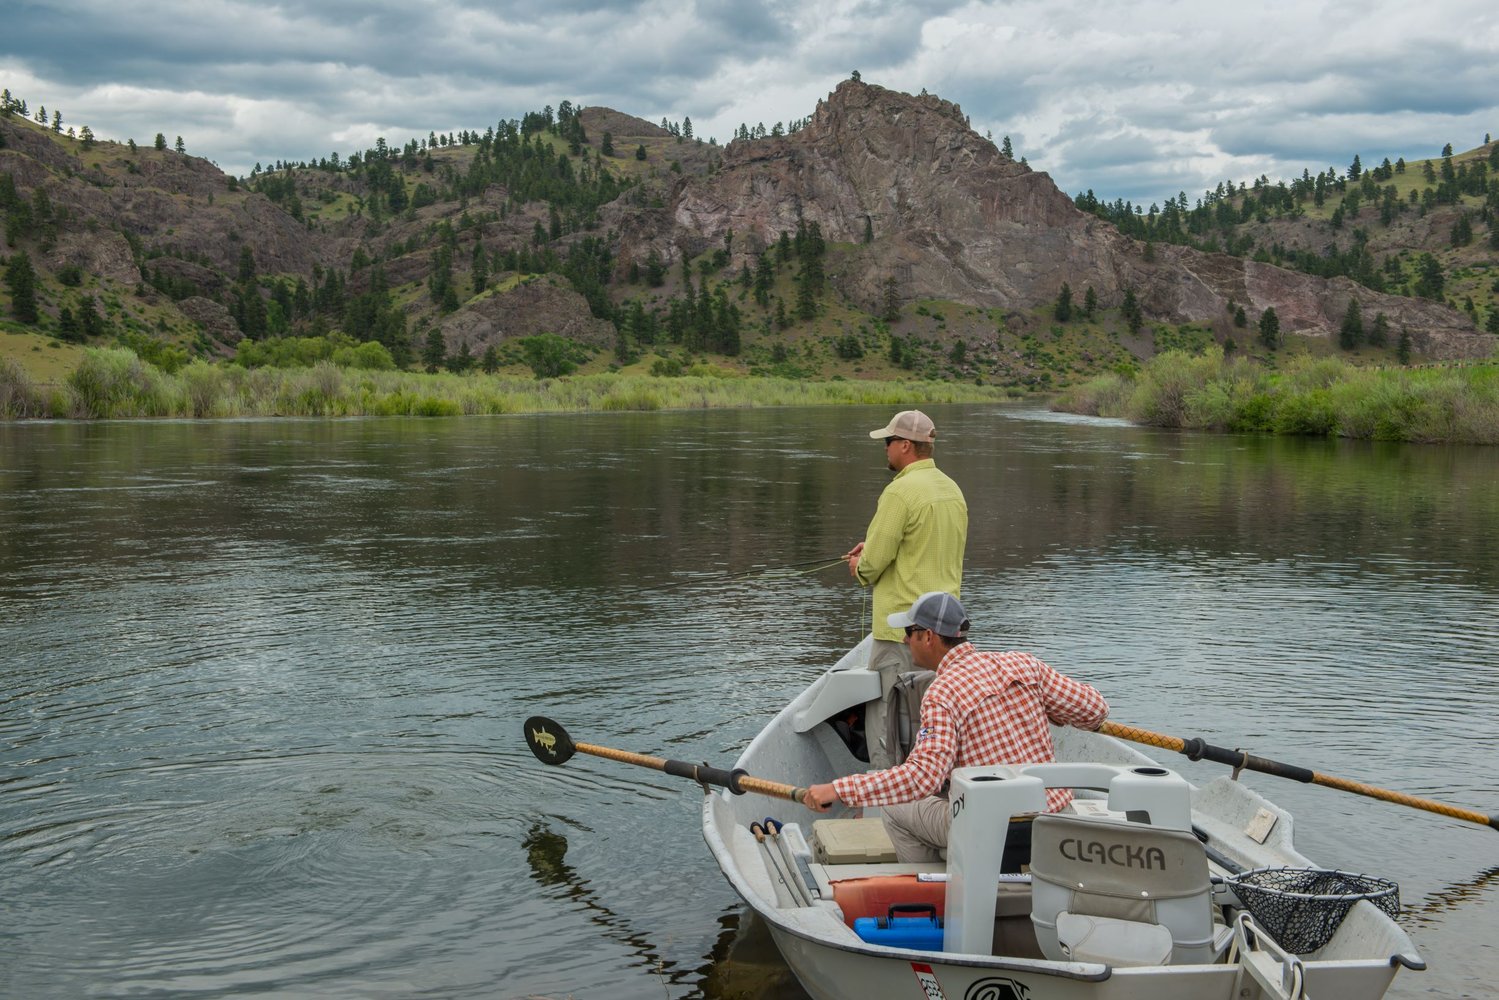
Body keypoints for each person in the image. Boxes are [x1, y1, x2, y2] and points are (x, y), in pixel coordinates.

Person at [801, 591, 1109, 868]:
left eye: (910, 633)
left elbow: (923, 779)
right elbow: (1095, 711)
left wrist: (839, 789)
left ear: (929, 637)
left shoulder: (942, 692)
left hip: (994, 828)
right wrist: (1050, 710)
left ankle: (935, 893)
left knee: (894, 806)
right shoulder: (1025, 665)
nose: (906, 641)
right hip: (1054, 819)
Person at [845, 410, 967, 767]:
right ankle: (931, 789)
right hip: (945, 634)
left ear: (905, 446)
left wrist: (859, 565)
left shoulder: (899, 492)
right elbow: (924, 545)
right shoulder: (951, 488)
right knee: (932, 718)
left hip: (902, 631)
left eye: (888, 442)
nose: (885, 449)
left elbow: (872, 565)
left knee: (888, 720)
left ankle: (888, 805)